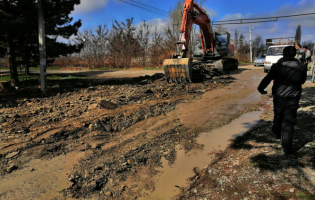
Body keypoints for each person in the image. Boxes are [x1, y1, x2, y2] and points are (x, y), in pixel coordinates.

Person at [257, 46, 307, 154]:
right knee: (289, 120)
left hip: (279, 96)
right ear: (295, 54)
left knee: (278, 115)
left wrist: (261, 88)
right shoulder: (302, 66)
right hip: (294, 97)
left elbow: (268, 78)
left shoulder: (277, 65)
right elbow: (302, 81)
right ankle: (287, 147)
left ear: (283, 54)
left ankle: (276, 132)